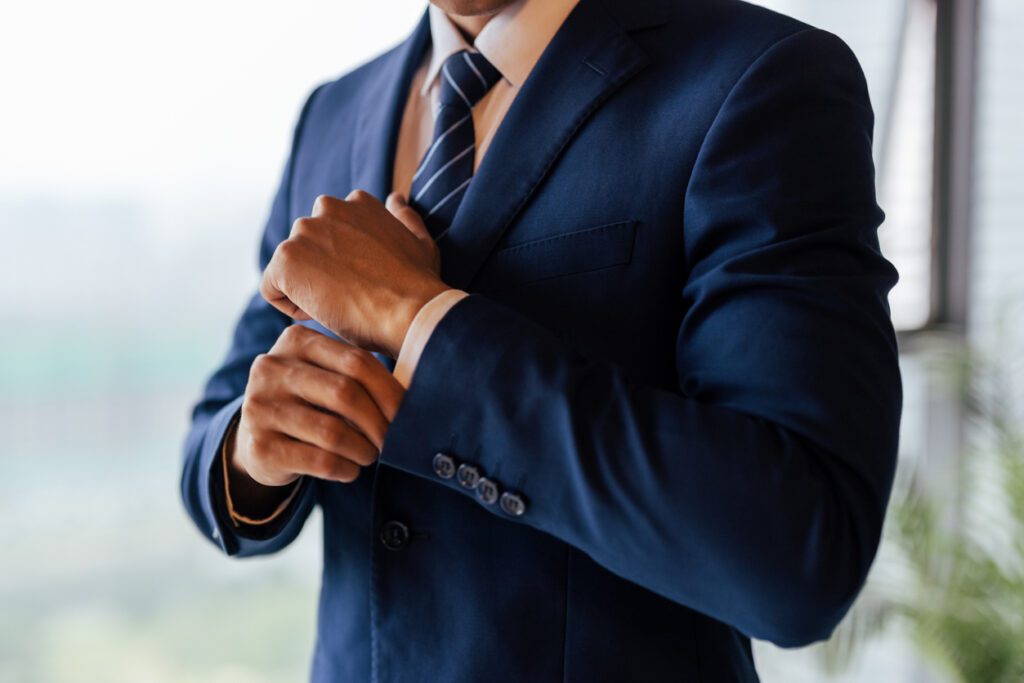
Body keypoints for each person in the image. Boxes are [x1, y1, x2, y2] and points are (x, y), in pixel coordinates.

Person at [180, 0, 903, 680]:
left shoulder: (761, 79)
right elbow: (218, 425)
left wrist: (417, 318)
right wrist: (254, 448)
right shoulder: (334, 113)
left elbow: (795, 554)